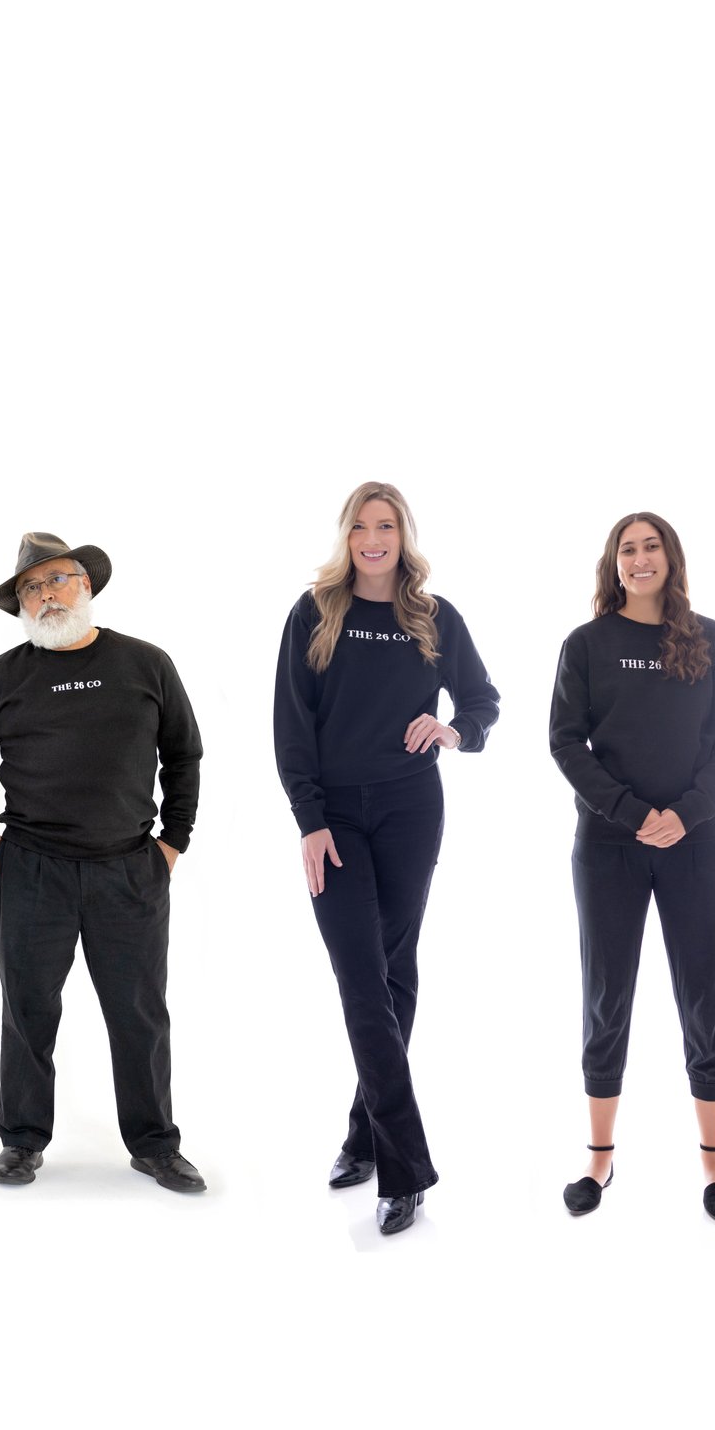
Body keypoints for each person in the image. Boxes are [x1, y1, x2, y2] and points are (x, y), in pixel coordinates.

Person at [272, 482, 499, 1235]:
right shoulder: (314, 612)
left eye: (388, 526)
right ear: (347, 535)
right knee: (362, 978)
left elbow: (482, 700)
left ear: (404, 536)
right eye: (363, 526)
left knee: (394, 970)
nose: (375, 539)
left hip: (410, 812)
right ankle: (404, 1167)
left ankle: (363, 1134)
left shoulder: (433, 618)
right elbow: (291, 724)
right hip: (335, 817)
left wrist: (453, 729)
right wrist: (309, 820)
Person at [0, 534, 206, 1192]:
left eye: (56, 580)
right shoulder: (3, 675)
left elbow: (184, 755)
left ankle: (154, 1145)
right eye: (31, 588)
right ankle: (22, 1142)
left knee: (139, 1014)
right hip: (33, 869)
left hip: (129, 869)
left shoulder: (145, 664)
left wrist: (172, 842)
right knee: (28, 1011)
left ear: (85, 585)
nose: (45, 595)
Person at [549, 513, 715, 1223]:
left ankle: (714, 1161)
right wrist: (633, 814)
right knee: (607, 993)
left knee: (703, 993)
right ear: (614, 564)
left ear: (671, 557)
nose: (639, 558)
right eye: (627, 549)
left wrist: (685, 814)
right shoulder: (587, 646)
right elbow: (566, 744)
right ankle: (599, 1160)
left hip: (695, 844)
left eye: (650, 545)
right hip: (608, 846)